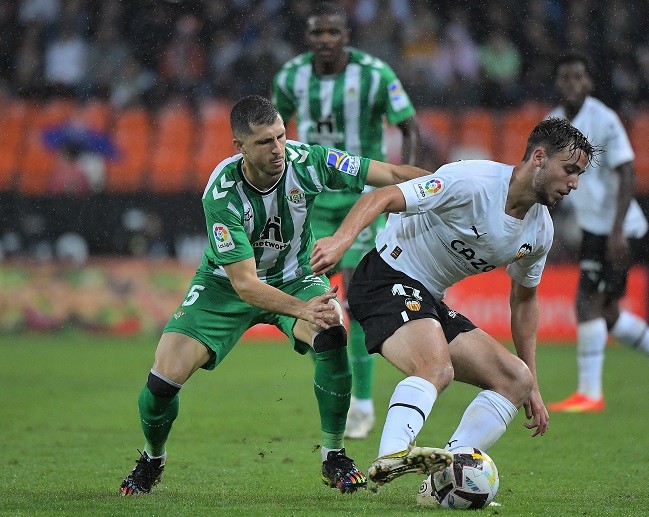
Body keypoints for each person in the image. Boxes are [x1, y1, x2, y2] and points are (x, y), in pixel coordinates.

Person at [118, 95, 432, 496]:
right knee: (162, 382)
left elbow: (388, 172)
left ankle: (333, 454)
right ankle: (151, 459)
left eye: (282, 136)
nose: (279, 149)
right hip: (223, 288)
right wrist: (304, 309)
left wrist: (456, 183)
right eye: (265, 142)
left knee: (332, 331)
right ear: (240, 147)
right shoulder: (223, 193)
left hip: (294, 277)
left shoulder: (309, 161)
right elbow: (244, 284)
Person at [310, 117, 595, 487]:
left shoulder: (540, 231)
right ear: (539, 157)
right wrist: (341, 241)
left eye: (579, 175)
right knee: (435, 367)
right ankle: (392, 454)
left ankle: (448, 476)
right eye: (569, 170)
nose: (574, 184)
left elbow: (524, 302)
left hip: (429, 299)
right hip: (385, 276)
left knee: (515, 379)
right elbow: (380, 196)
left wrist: (535, 384)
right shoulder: (471, 181)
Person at [272, 1, 421, 440]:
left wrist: (402, 192)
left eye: (332, 33)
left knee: (355, 297)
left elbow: (409, 127)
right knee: (309, 297)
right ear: (308, 37)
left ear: (346, 37)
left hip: (361, 201)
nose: (324, 40)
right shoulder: (290, 77)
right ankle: (331, 374)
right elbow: (270, 126)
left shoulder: (375, 75)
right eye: (317, 33)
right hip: (311, 202)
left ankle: (361, 403)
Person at [546, 52, 649, 413]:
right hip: (592, 226)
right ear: (558, 83)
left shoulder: (604, 120)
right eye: (564, 77)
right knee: (609, 314)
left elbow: (627, 172)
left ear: (588, 83)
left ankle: (590, 392)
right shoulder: (552, 123)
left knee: (587, 303)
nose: (571, 83)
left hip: (616, 227)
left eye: (577, 77)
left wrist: (617, 232)